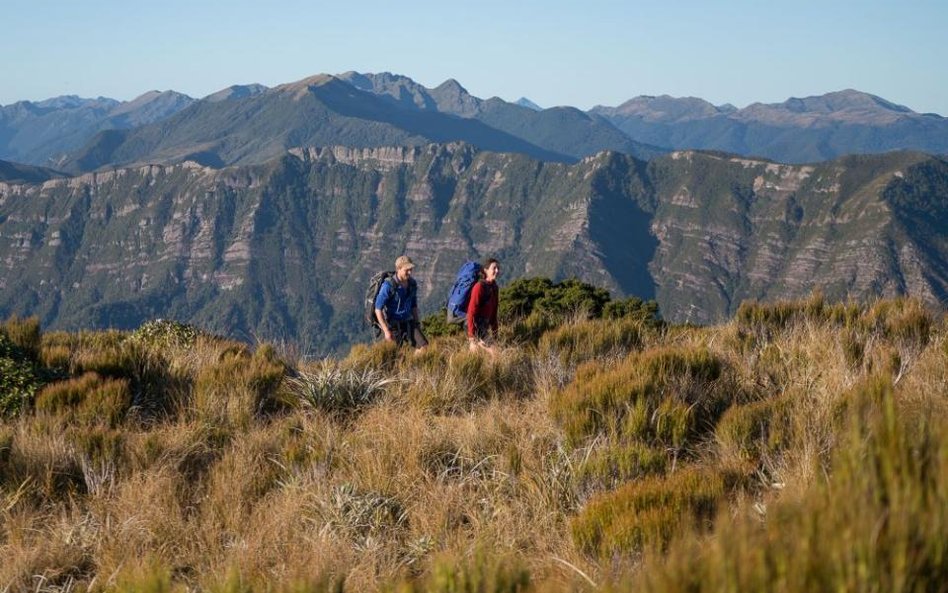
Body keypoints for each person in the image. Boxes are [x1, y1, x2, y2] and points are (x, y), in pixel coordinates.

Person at [374, 255, 428, 351]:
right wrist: (386, 331)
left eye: (411, 269)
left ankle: (413, 363)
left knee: (424, 347)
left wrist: (417, 323)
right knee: (396, 354)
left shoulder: (412, 284)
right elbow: (378, 309)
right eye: (407, 270)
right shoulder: (388, 286)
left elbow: (414, 305)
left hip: (408, 321)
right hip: (393, 324)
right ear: (398, 269)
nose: (410, 272)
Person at [467, 258, 500, 354]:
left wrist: (495, 334)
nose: (497, 271)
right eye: (494, 268)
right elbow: (471, 312)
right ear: (486, 270)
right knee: (495, 352)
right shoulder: (479, 287)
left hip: (484, 326)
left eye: (498, 268)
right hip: (477, 326)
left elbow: (494, 313)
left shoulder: (494, 287)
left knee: (484, 354)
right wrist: (472, 337)